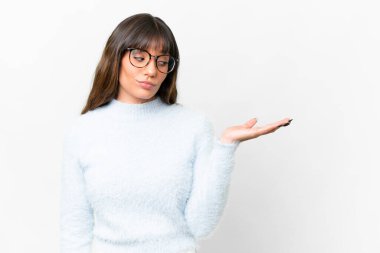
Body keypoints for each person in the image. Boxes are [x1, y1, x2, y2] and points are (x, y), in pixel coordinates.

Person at [60, 13, 292, 253]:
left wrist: (226, 147)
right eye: (140, 57)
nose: (151, 70)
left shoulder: (193, 126)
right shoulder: (82, 132)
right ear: (115, 57)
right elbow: (74, 229)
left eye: (162, 62)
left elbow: (201, 226)